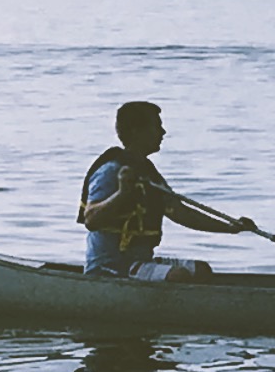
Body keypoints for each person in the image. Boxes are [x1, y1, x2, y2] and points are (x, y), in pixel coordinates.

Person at [78, 100, 264, 278]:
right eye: (157, 126)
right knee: (179, 275)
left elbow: (179, 212)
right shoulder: (110, 171)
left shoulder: (147, 171)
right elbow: (91, 219)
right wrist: (122, 194)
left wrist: (230, 228)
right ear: (137, 131)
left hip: (140, 262)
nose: (163, 132)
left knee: (201, 270)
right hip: (111, 267)